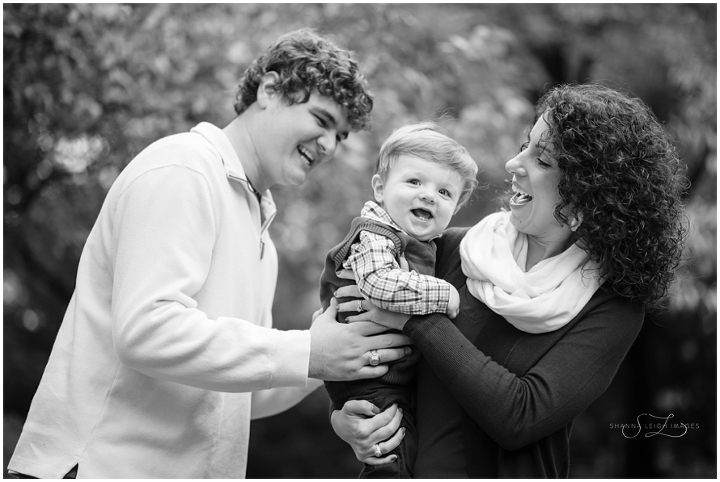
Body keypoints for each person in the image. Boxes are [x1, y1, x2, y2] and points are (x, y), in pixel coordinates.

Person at [7, 29, 415, 479]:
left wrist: (335, 355)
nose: (329, 146)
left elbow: (240, 392)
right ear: (270, 89)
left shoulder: (261, 235)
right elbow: (147, 329)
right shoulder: (185, 168)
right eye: (321, 120)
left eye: (339, 136)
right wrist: (309, 351)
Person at [329, 83, 688, 477]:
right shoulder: (451, 249)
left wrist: (415, 317)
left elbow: (521, 416)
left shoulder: (611, 307)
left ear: (588, 194)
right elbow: (349, 329)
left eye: (542, 159)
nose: (514, 164)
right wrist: (344, 417)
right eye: (524, 146)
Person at [319, 122, 478, 478]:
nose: (428, 196)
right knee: (392, 454)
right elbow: (377, 284)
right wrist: (444, 294)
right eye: (414, 182)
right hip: (367, 374)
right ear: (380, 188)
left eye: (445, 192)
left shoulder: (422, 243)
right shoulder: (375, 236)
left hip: (383, 372)